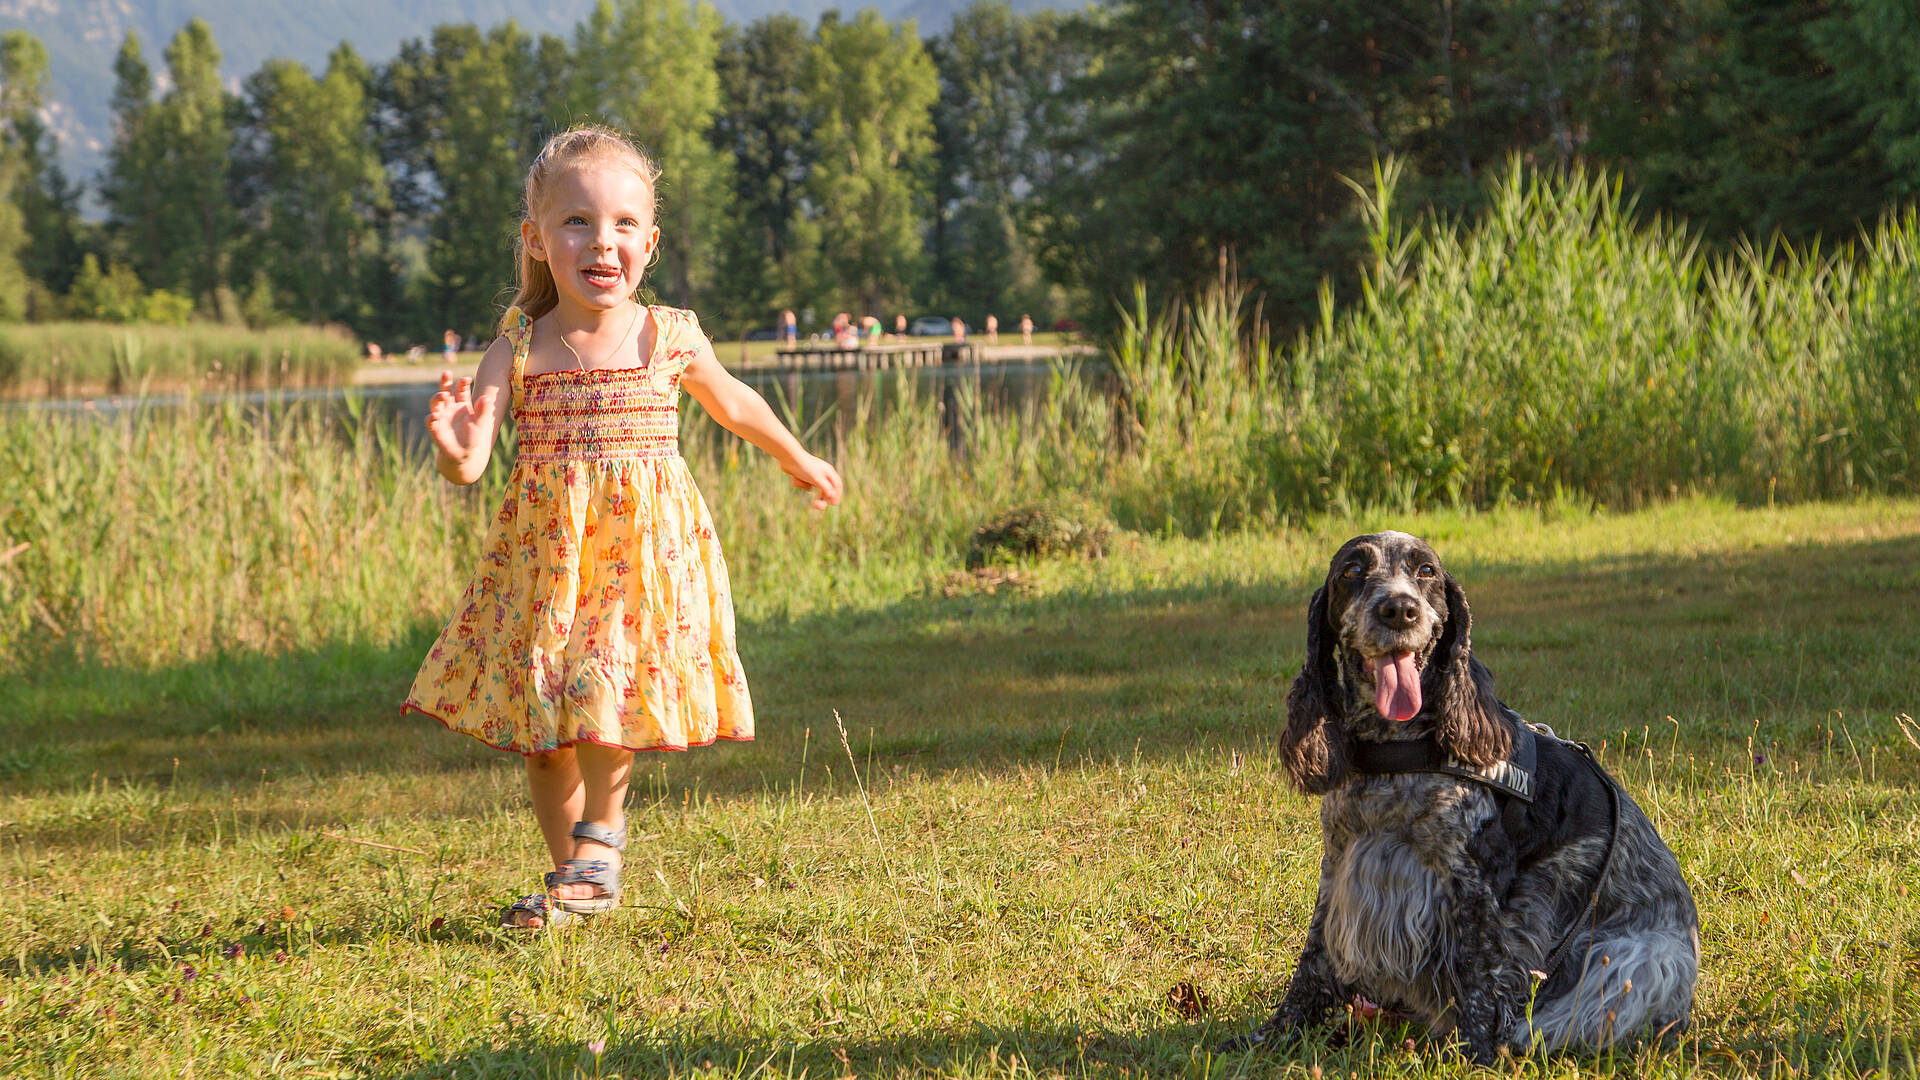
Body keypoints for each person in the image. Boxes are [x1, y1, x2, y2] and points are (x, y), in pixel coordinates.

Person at [403, 125, 843, 931]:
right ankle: (574, 875)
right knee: (545, 723)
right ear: (537, 242)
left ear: (650, 240)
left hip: (636, 563)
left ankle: (600, 848)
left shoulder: (668, 334)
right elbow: (471, 461)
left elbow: (735, 402)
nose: (601, 240)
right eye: (576, 222)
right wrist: (455, 447)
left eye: (623, 224)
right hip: (545, 566)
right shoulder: (519, 346)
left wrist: (798, 456)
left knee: (604, 686)